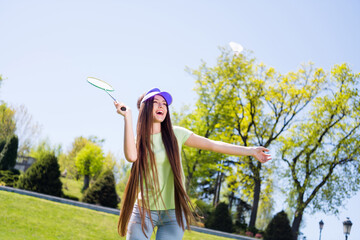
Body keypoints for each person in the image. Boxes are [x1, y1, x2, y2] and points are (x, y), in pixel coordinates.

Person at [114, 88, 271, 240]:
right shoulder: (138, 143)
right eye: (156, 102)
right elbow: (131, 157)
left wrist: (251, 150)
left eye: (164, 103)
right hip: (144, 211)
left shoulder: (176, 134)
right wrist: (127, 116)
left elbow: (213, 145)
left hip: (174, 213)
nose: (162, 105)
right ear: (145, 108)